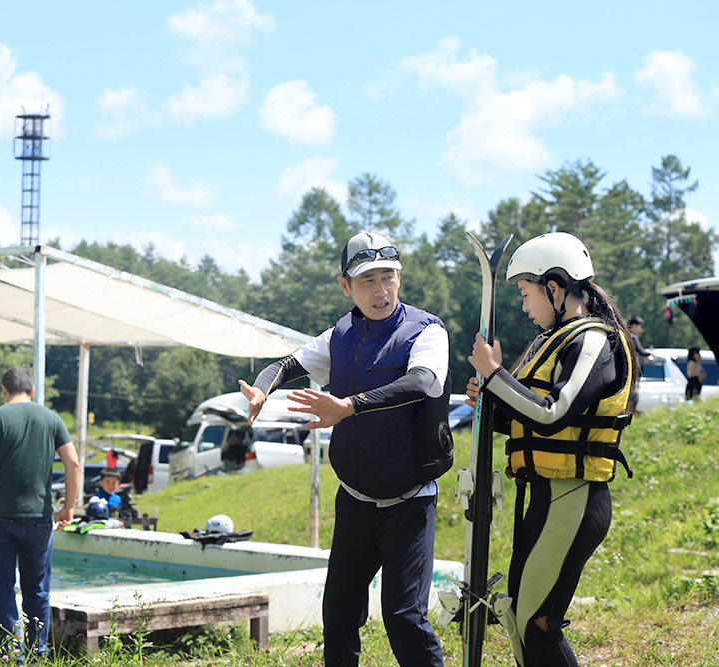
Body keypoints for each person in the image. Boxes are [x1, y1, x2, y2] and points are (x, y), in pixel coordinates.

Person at [240, 230, 451, 667]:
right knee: (337, 615)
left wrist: (349, 406)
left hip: (409, 503)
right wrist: (262, 391)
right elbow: (285, 365)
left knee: (403, 616)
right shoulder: (341, 334)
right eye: (368, 280)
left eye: (388, 277)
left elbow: (423, 382)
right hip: (355, 501)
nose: (381, 290)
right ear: (345, 286)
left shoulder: (427, 331)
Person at [465, 231, 637, 666]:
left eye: (526, 293)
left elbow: (552, 414)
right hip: (547, 498)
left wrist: (497, 376)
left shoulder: (593, 341)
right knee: (523, 620)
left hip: (573, 501)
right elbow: (527, 422)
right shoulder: (554, 339)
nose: (525, 306)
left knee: (535, 624)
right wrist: (489, 397)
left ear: (555, 287)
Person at [0, 367, 81, 661]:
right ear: (32, 391)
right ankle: (37, 654)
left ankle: (10, 656)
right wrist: (68, 506)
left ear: (4, 390)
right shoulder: (52, 419)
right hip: (40, 518)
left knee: (2, 588)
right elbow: (73, 463)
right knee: (38, 590)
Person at [625, 316, 651, 414]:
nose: (641, 330)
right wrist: (649, 353)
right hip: (633, 373)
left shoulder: (625, 335)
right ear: (634, 325)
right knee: (633, 395)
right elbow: (641, 351)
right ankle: (631, 413)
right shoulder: (632, 336)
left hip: (628, 372)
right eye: (640, 327)